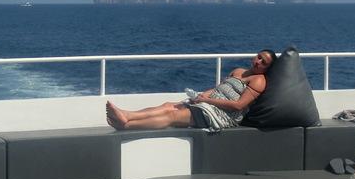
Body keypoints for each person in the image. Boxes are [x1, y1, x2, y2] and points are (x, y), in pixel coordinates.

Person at [105, 49, 274, 131]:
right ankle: (127, 115)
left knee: (172, 116)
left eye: (263, 62)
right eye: (259, 57)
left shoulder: (258, 80)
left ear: (267, 68)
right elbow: (218, 89)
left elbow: (239, 105)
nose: (258, 62)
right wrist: (201, 96)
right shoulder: (238, 71)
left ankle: (127, 125)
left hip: (220, 114)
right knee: (168, 105)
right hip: (208, 103)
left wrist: (206, 100)